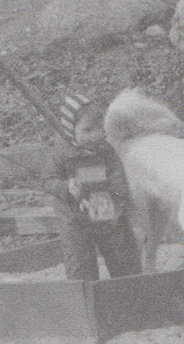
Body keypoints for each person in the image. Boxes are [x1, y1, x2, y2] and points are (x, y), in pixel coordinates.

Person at [40, 93, 142, 281]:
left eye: (99, 129)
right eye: (87, 130)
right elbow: (47, 180)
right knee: (80, 264)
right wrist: (66, 187)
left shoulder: (106, 151)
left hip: (106, 211)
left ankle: (128, 292)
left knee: (124, 259)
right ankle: (86, 298)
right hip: (74, 218)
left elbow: (118, 178)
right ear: (70, 130)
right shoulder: (60, 153)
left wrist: (117, 200)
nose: (95, 136)